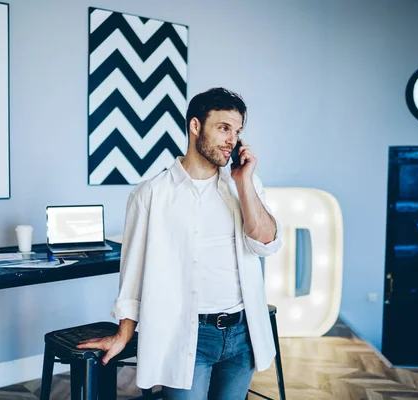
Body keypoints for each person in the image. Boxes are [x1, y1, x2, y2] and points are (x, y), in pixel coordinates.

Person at [77, 87, 282, 399]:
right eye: (224, 128)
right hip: (188, 336)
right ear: (195, 126)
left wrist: (244, 182)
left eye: (237, 131)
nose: (232, 140)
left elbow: (266, 242)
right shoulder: (151, 195)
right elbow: (132, 272)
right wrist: (123, 333)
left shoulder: (245, 185)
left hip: (243, 334)